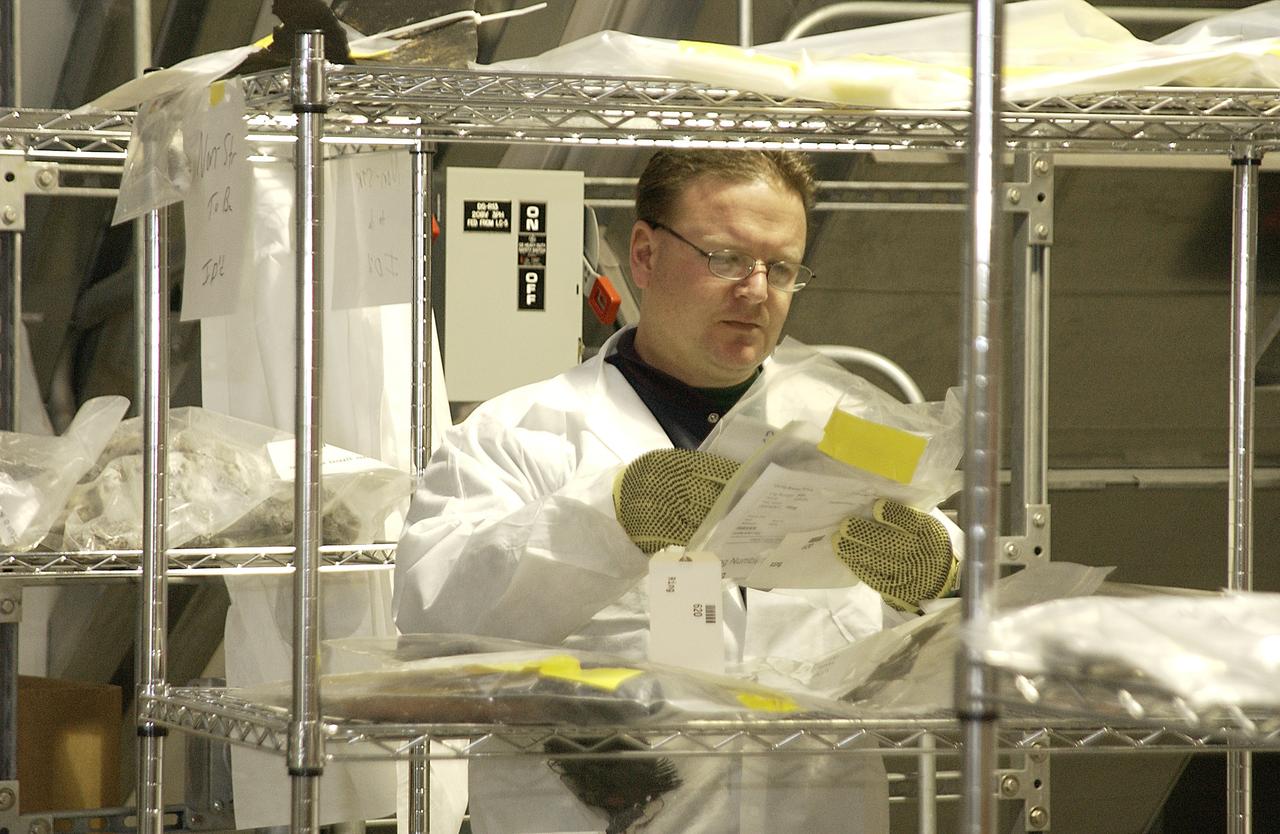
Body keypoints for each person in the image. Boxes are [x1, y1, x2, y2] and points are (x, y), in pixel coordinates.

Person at [395, 149, 955, 833]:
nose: (755, 290)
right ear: (645, 253)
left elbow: (914, 650)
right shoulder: (518, 434)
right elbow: (436, 626)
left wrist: (935, 569)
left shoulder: (849, 427)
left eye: (780, 269)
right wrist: (612, 516)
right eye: (725, 257)